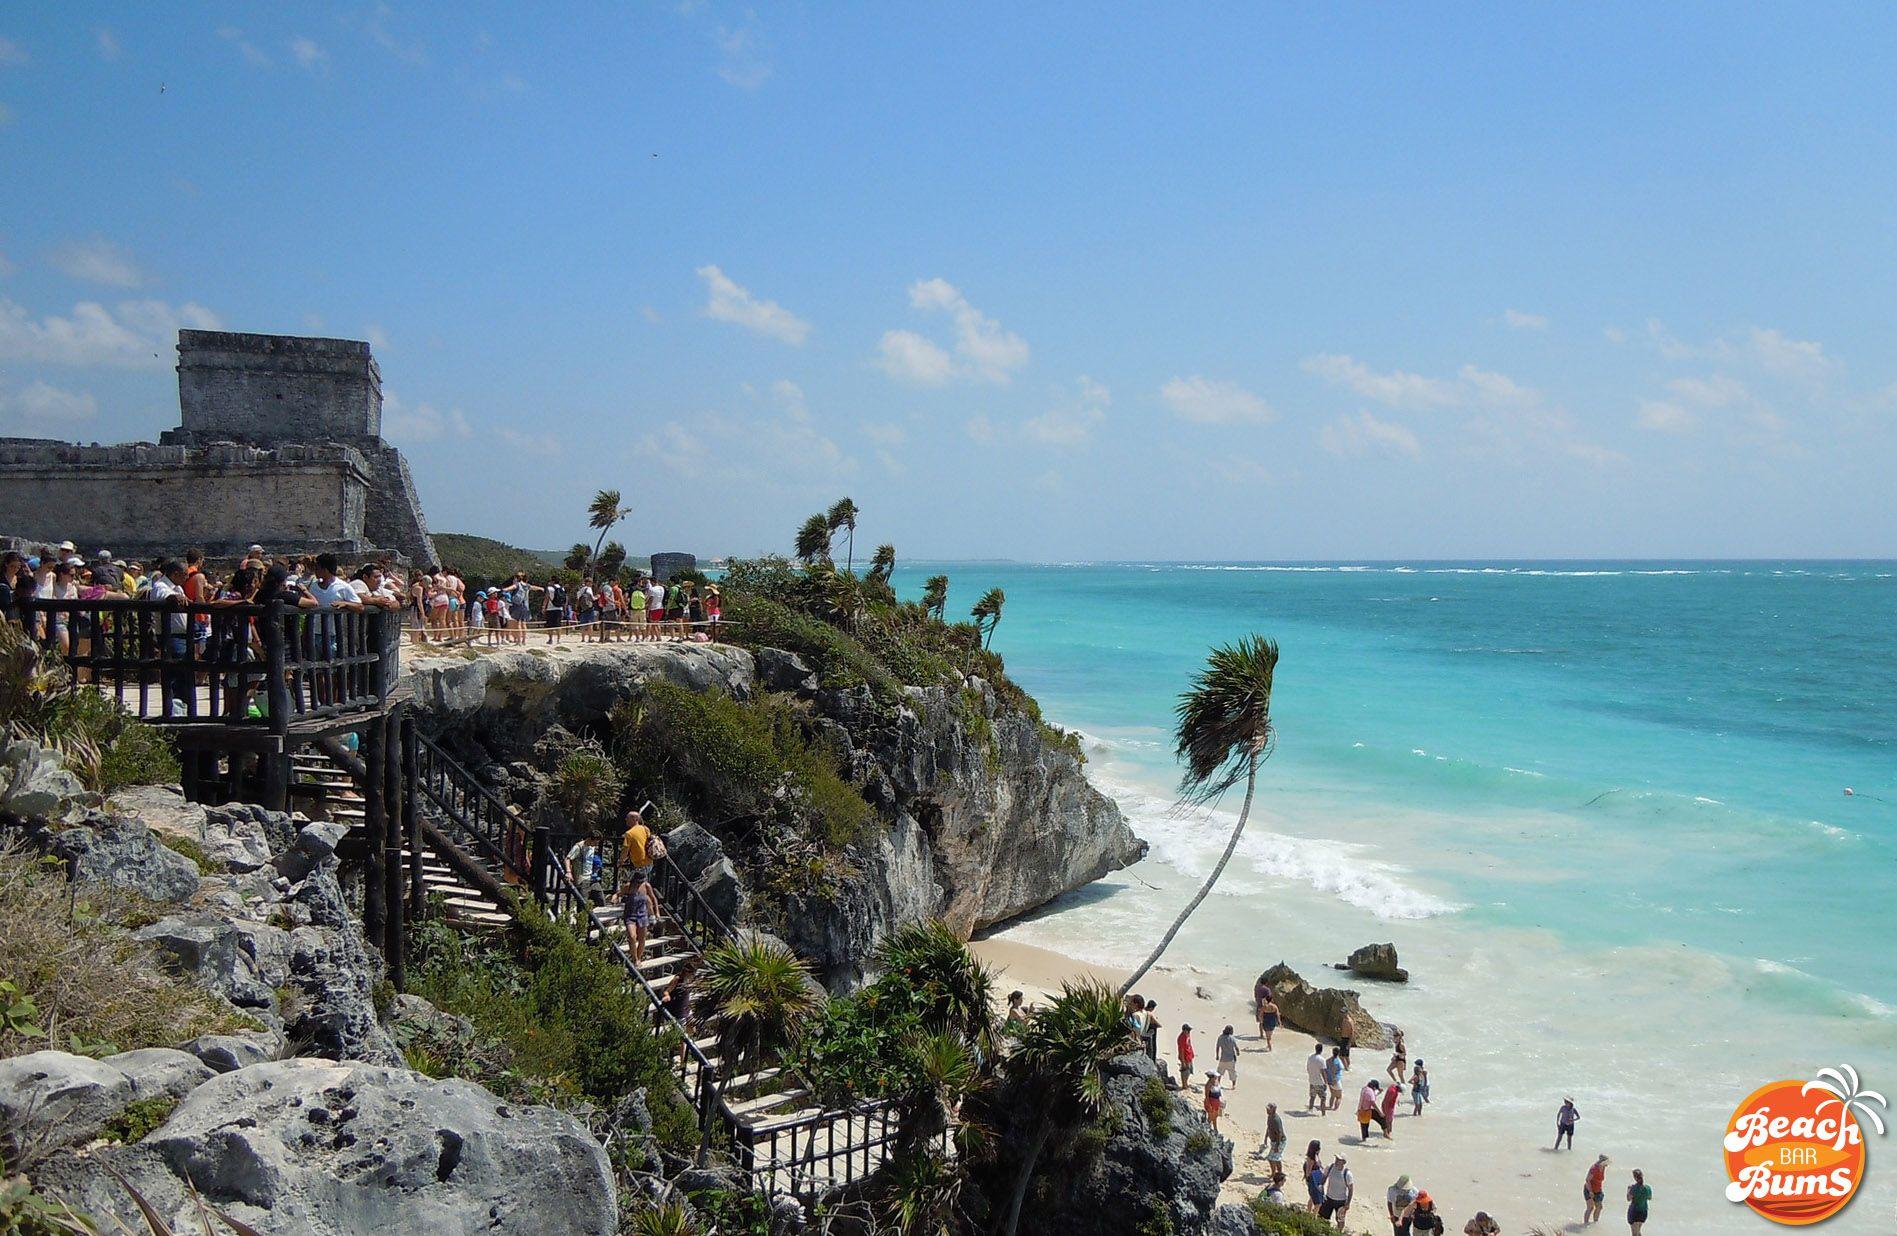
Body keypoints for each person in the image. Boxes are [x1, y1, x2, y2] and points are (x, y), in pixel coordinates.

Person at [566, 831, 605, 905]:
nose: (596, 845)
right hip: (582, 878)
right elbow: (568, 859)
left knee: (600, 900)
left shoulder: (592, 847)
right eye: (595, 842)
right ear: (590, 839)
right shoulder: (579, 847)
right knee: (583, 903)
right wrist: (569, 872)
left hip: (592, 877)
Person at [623, 874, 655, 962]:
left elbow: (652, 899)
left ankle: (639, 957)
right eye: (637, 882)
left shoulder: (646, 886)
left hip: (642, 915)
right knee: (632, 937)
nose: (639, 884)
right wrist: (614, 898)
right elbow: (619, 894)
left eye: (641, 882)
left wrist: (655, 914)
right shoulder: (628, 886)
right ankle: (634, 958)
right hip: (630, 915)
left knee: (642, 939)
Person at [1319, 1154, 1354, 1228]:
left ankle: (1339, 1232)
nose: (1336, 1160)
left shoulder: (1347, 1174)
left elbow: (1351, 1190)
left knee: (1340, 1219)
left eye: (1339, 1159)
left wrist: (1348, 1204)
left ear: (1344, 1162)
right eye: (1336, 1158)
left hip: (1341, 1201)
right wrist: (1321, 1185)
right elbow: (1324, 1177)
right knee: (1322, 1217)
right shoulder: (1330, 1167)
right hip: (1328, 1198)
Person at [1583, 1154, 1609, 1226]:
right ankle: (1585, 1224)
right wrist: (1590, 1191)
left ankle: (1595, 1223)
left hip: (1598, 1190)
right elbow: (1587, 1180)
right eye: (1606, 1162)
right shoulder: (1594, 1169)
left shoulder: (1603, 1167)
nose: (1608, 1164)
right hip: (1589, 1189)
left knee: (1599, 1207)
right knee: (1590, 1207)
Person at [1302, 1141, 1326, 1214]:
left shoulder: (1315, 1156)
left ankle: (1309, 1212)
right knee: (1318, 1201)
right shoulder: (1311, 1159)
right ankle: (1313, 1215)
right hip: (1313, 1181)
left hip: (1316, 1179)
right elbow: (1308, 1172)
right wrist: (1311, 1183)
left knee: (1312, 1198)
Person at [1626, 1168, 1651, 1234]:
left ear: (1635, 1177)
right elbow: (1649, 1198)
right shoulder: (1647, 1188)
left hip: (1634, 1211)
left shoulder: (1633, 1188)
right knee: (1638, 1232)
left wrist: (1628, 1190)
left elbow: (1628, 1199)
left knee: (1634, 1233)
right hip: (1644, 1211)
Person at [1307, 1044, 1330, 1112]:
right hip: (1320, 1082)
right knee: (1323, 1099)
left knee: (1312, 1097)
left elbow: (1308, 1068)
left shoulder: (1310, 1057)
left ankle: (1310, 1110)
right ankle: (1323, 1114)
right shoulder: (1322, 1060)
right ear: (1321, 1050)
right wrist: (1326, 1082)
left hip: (1312, 1081)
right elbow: (1323, 1072)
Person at [1262, 1101, 1286, 1165]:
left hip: (1279, 1141)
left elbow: (1279, 1133)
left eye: (1269, 1109)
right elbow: (1269, 1127)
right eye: (1267, 1109)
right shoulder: (1270, 1117)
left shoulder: (1276, 1120)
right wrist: (1266, 1137)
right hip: (1274, 1141)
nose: (1267, 1110)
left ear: (1274, 1110)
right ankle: (1278, 1173)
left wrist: (1277, 1146)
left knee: (1272, 1158)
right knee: (1276, 1158)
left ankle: (1274, 1173)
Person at [1325, 1049, 1345, 1118]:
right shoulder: (1338, 1061)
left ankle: (1330, 1106)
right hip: (1336, 1081)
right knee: (1339, 1097)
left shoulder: (1327, 1060)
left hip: (1329, 1080)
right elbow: (1342, 1068)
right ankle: (1335, 1110)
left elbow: (1325, 1070)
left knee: (1332, 1095)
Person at [1176, 1024, 1195, 1088]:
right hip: (1184, 1056)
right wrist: (1183, 1061)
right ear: (1184, 1030)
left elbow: (1189, 1044)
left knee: (1189, 1070)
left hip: (1189, 1055)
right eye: (1188, 1030)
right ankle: (1184, 1084)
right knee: (1185, 1070)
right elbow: (1181, 1050)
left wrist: (1192, 1053)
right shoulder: (1181, 1038)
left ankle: (1186, 1083)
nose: (1189, 1031)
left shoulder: (1187, 1035)